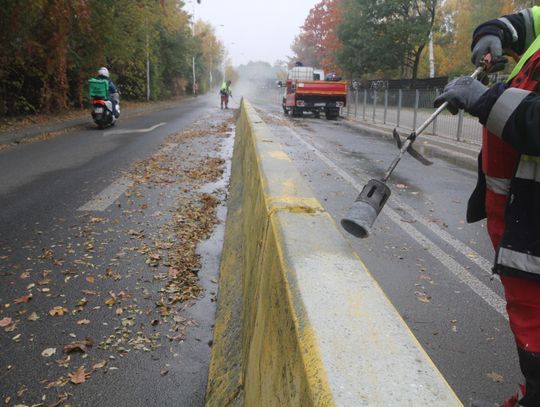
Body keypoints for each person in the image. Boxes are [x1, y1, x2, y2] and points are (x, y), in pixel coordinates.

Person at [434, 6, 540, 407]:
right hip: (524, 228)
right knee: (531, 339)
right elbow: (524, 22)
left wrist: (487, 100)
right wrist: (493, 33)